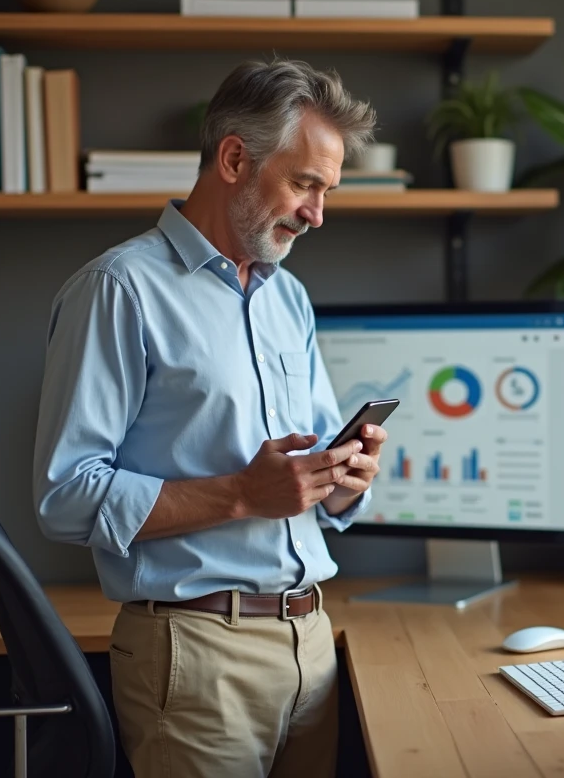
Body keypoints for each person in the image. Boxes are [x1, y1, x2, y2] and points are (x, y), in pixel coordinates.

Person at [31, 58, 385, 778]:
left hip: (311, 643)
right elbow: (64, 496)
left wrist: (343, 477)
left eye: (328, 190)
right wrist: (240, 495)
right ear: (233, 158)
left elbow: (306, 473)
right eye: (305, 184)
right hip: (194, 658)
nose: (318, 213)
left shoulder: (291, 299)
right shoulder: (118, 290)